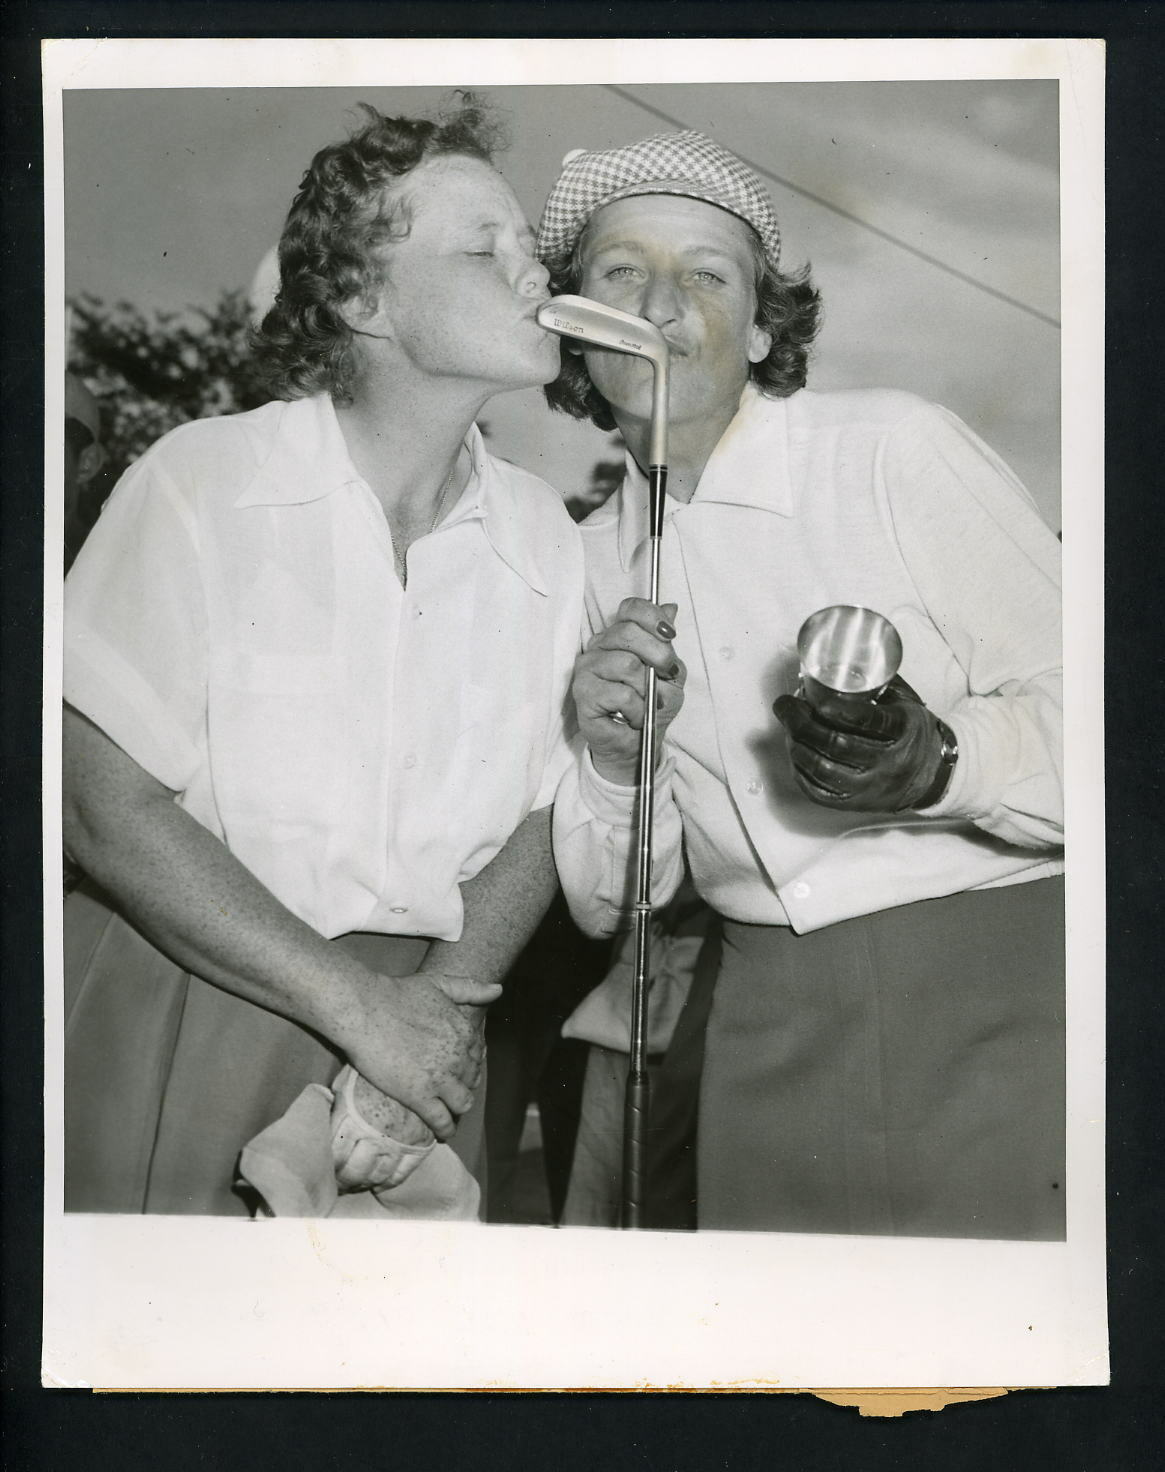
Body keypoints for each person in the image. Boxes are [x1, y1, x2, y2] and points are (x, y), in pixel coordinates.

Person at [62, 98, 582, 1216]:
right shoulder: (203, 480)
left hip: (421, 1059)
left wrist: (433, 1012)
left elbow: (550, 810)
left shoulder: (548, 535)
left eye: (529, 245)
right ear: (360, 298)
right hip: (196, 999)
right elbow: (100, 803)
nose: (534, 272)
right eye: (483, 248)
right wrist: (360, 1009)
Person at [545, 130, 1065, 1239]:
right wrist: (606, 756)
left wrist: (940, 760)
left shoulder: (892, 449)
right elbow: (611, 901)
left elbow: (1111, 734)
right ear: (574, 330)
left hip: (996, 979)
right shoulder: (580, 562)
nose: (660, 301)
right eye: (619, 272)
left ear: (766, 326)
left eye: (708, 273)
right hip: (760, 1018)